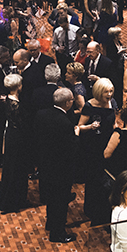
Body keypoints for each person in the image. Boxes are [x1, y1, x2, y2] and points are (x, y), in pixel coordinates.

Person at [35, 88, 78, 243]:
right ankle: (58, 233)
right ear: (67, 103)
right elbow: (70, 148)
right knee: (60, 201)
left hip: (45, 164)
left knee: (52, 199)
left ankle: (50, 223)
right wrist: (76, 135)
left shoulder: (41, 114)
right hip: (61, 169)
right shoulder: (65, 122)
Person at [78, 78, 117, 225]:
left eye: (111, 91)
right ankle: (91, 209)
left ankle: (103, 209)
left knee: (105, 179)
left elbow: (113, 121)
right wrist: (90, 127)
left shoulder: (112, 103)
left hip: (107, 145)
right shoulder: (89, 105)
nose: (109, 94)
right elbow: (79, 127)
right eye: (106, 91)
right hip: (92, 147)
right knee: (93, 178)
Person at [0, 74, 31, 213]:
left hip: (12, 135)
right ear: (18, 86)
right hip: (17, 138)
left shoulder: (7, 100)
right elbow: (22, 125)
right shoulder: (15, 105)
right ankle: (12, 201)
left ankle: (14, 199)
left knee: (12, 168)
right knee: (15, 169)